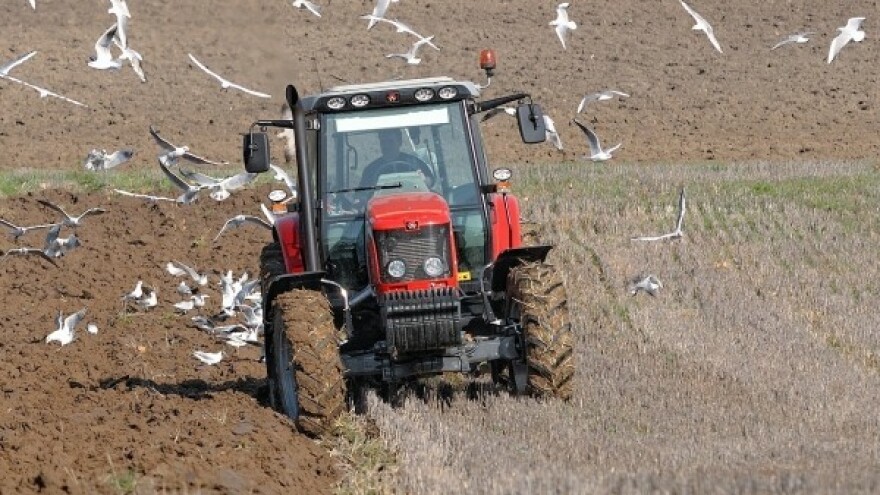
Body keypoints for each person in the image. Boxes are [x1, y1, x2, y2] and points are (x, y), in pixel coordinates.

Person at [358, 128, 435, 188]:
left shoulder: (414, 162)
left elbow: (430, 181)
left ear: (399, 142)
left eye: (390, 141)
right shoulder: (371, 170)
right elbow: (362, 193)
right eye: (383, 142)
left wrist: (424, 180)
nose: (386, 146)